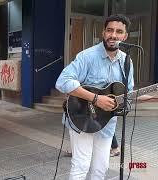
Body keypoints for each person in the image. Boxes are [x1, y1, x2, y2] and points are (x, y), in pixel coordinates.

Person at [56, 14, 133, 180]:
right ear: (103, 33)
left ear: (125, 36)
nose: (113, 35)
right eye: (110, 30)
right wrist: (96, 99)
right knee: (81, 165)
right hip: (82, 118)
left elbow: (129, 91)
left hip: (107, 122)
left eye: (119, 31)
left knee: (101, 169)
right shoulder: (87, 56)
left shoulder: (127, 61)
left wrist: (139, 98)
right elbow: (63, 82)